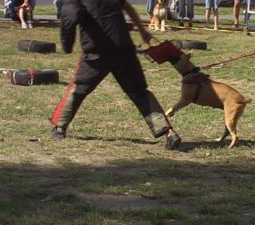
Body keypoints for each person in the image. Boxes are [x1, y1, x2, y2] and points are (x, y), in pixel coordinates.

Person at [50, 0, 182, 150]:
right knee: (140, 93)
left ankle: (60, 127)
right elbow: (128, 7)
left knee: (79, 89)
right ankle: (169, 133)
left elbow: (70, 15)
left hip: (97, 54)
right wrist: (143, 32)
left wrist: (67, 45)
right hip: (123, 50)